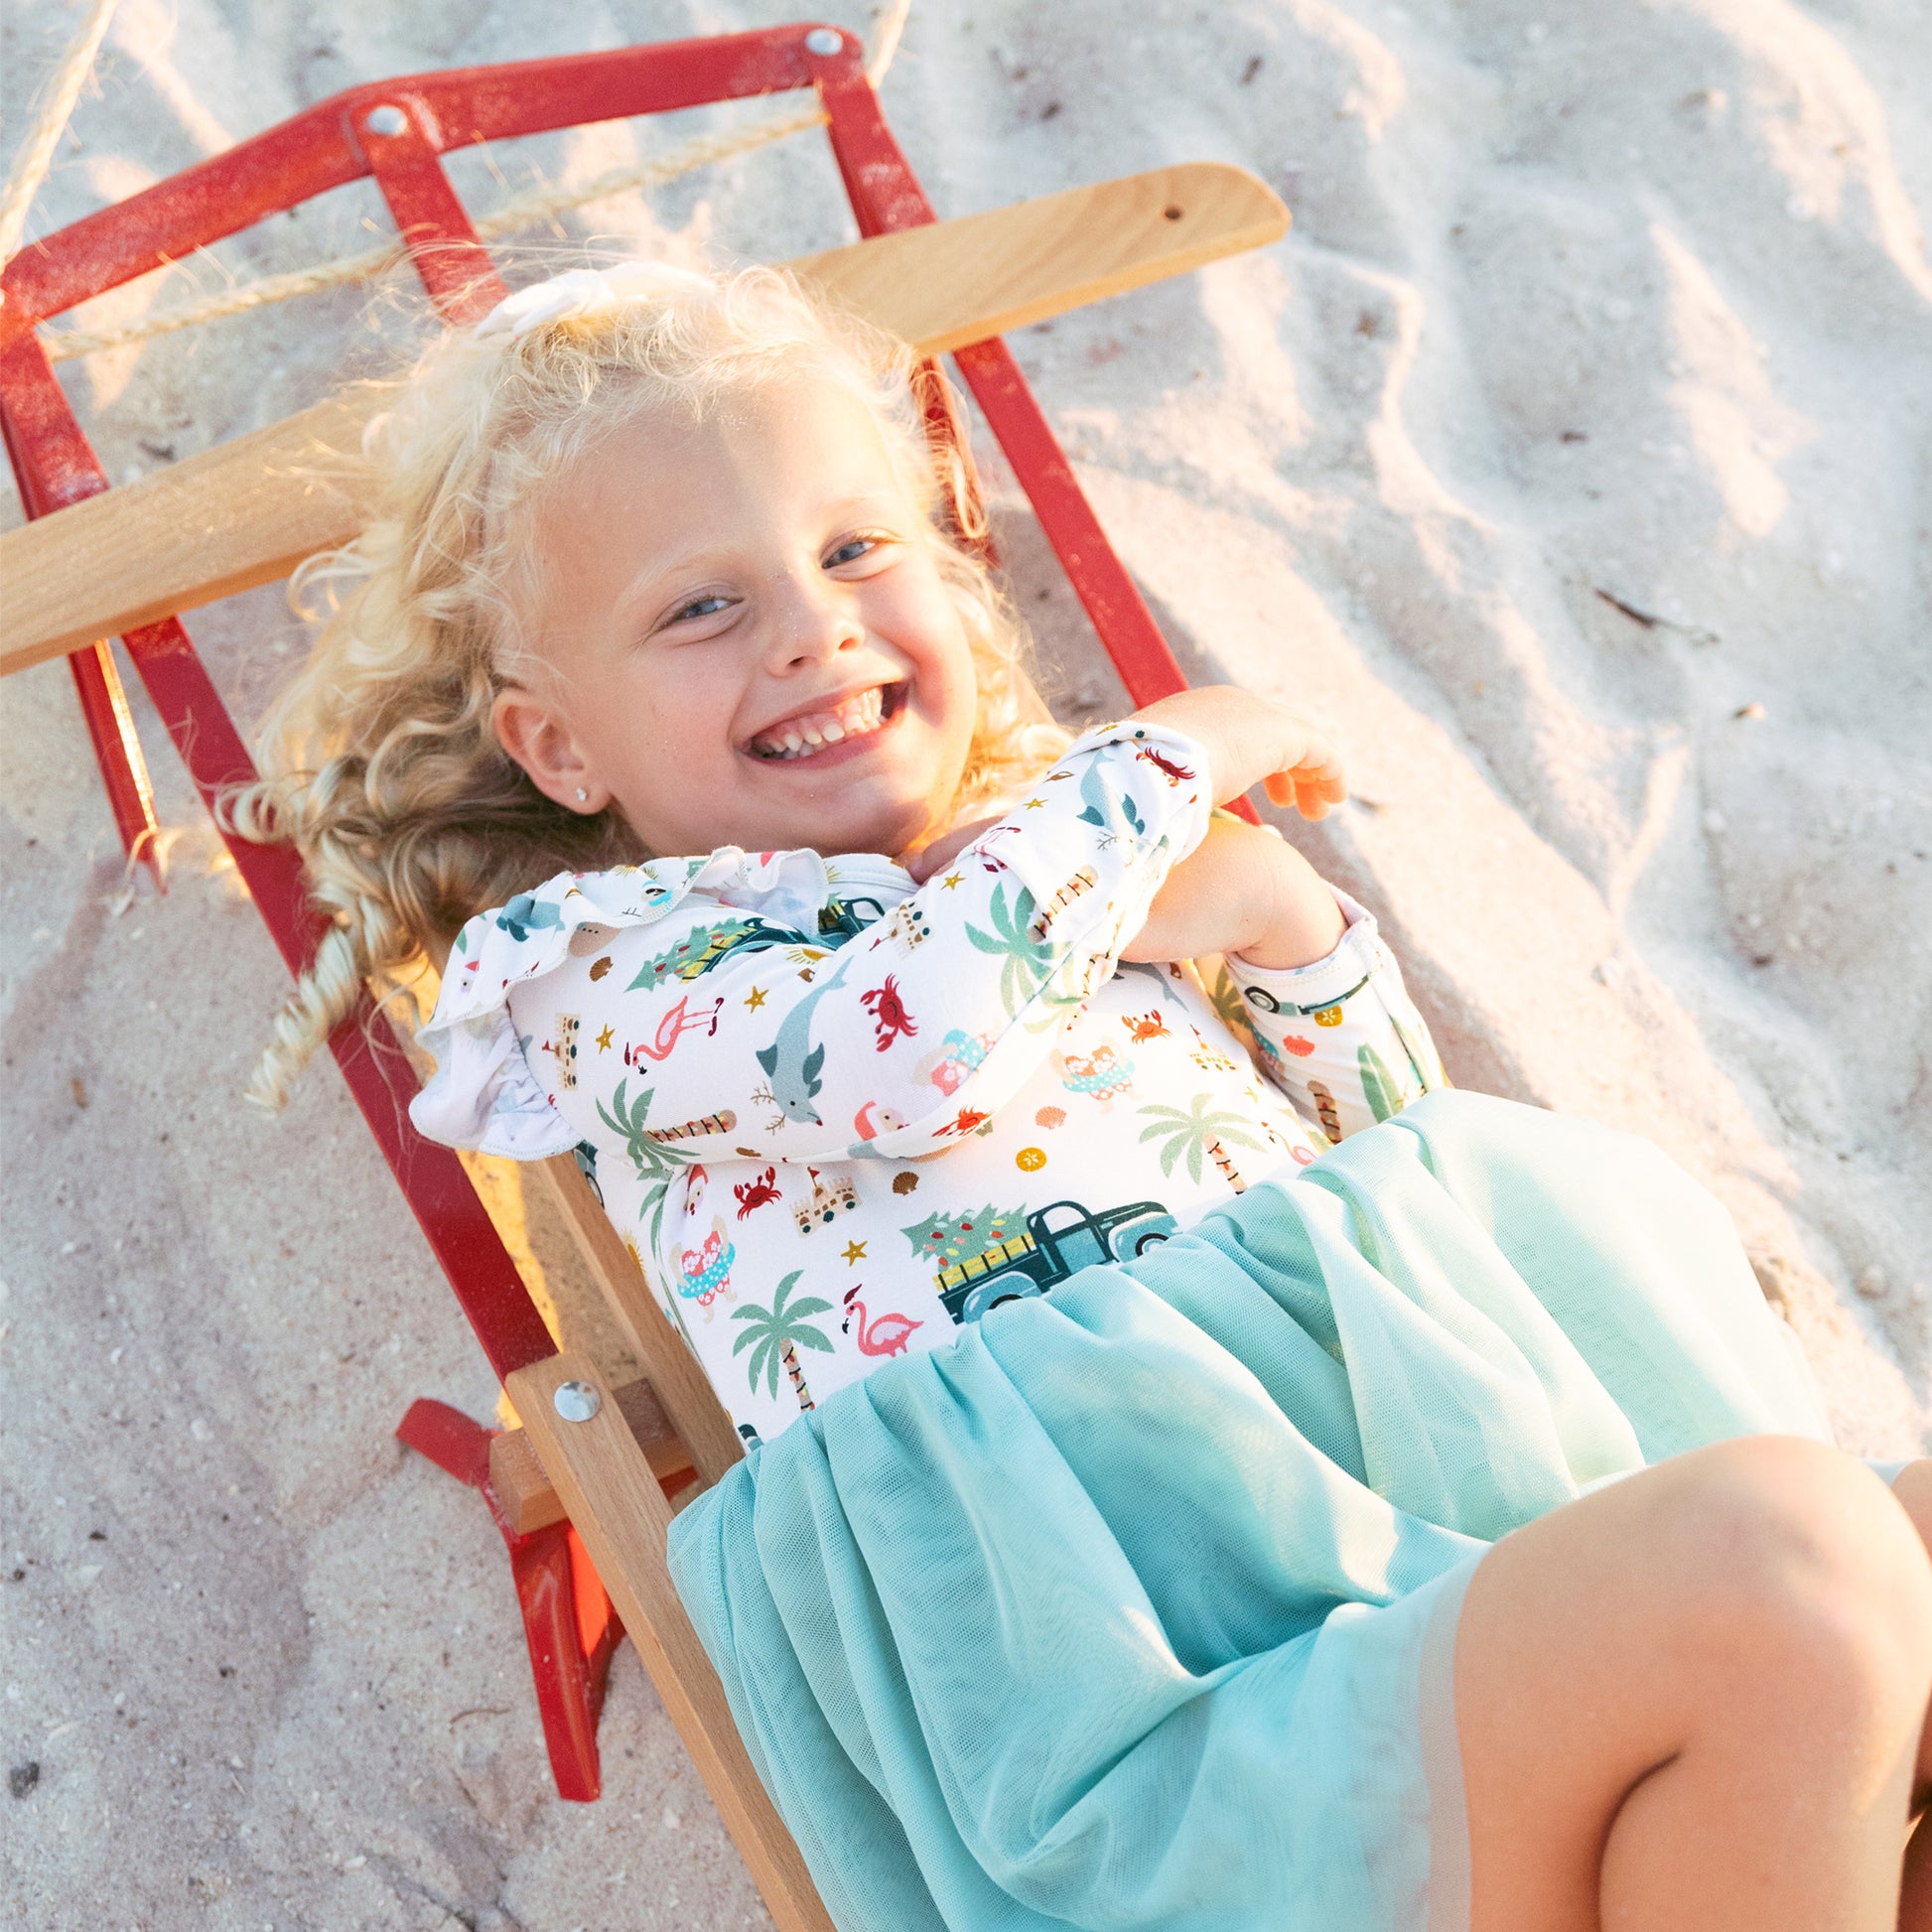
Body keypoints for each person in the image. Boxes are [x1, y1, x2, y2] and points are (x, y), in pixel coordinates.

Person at [234, 261, 1932, 1931]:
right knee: (1785, 1555)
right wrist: (1157, 761)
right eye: (701, 604)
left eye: (852, 549)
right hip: (1173, 1735)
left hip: (1440, 1573)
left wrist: (1284, 926)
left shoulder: (1036, 863)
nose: (813, 628)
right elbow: (898, 1063)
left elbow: (1398, 1170)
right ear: (561, 748)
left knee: (1871, 1559)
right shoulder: (607, 965)